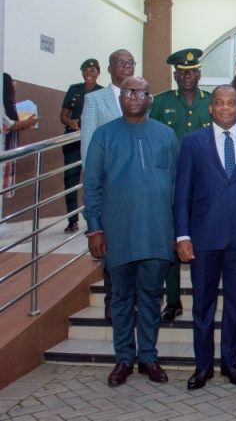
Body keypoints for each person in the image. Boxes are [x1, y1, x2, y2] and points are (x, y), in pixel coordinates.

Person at [83, 76, 179, 388]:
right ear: (120, 97)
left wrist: (178, 232)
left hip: (157, 231)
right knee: (121, 299)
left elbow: (177, 186)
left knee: (151, 298)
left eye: (140, 92)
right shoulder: (104, 135)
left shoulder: (166, 135)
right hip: (118, 232)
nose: (133, 96)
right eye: (127, 91)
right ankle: (124, 358)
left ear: (150, 98)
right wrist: (95, 229)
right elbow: (92, 184)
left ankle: (148, 357)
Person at [174, 85, 236, 390]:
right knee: (202, 306)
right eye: (220, 103)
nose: (226, 108)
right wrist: (182, 235)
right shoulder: (192, 142)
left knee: (235, 306)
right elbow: (182, 194)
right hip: (203, 238)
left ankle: (230, 362)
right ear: (211, 107)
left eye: (231, 103)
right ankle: (203, 366)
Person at [150, 48, 212, 323]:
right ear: (175, 75)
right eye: (182, 73)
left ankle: (203, 299)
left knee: (203, 241)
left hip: (205, 184)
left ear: (199, 74)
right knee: (174, 240)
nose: (188, 77)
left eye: (192, 72)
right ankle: (173, 300)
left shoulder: (210, 102)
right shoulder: (160, 102)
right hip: (171, 183)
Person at [80, 49, 135, 322]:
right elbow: (88, 148)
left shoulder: (140, 96)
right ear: (110, 67)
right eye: (121, 62)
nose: (126, 66)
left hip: (137, 191)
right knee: (112, 250)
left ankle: (134, 303)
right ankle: (113, 304)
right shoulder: (95, 100)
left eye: (131, 63)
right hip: (109, 190)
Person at [58, 59, 103, 234]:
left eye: (93, 70)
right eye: (85, 70)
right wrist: (70, 122)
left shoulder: (102, 92)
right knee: (70, 180)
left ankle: (95, 221)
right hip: (73, 141)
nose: (89, 73)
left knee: (94, 181)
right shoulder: (74, 90)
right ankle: (72, 221)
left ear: (98, 72)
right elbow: (63, 115)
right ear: (82, 72)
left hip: (93, 141)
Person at [2, 73, 37, 195]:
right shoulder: (2, 103)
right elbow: (8, 124)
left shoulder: (7, 103)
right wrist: (28, 122)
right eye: (12, 83)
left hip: (7, 146)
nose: (14, 86)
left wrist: (25, 123)